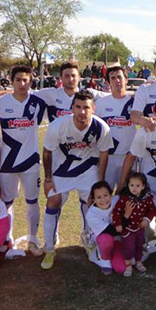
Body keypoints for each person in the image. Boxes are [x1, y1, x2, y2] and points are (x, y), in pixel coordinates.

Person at [41, 91, 113, 270]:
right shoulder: (59, 125)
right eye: (78, 107)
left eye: (86, 107)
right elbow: (47, 151)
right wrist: (48, 179)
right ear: (72, 108)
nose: (82, 112)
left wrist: (100, 181)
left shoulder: (101, 127)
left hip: (87, 169)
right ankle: (49, 248)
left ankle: (88, 239)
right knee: (53, 201)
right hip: (62, 168)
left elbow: (104, 153)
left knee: (91, 202)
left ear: (93, 109)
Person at [0, 66, 48, 256]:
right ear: (11, 81)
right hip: (7, 162)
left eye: (26, 80)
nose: (22, 84)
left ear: (31, 82)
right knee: (6, 203)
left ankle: (32, 240)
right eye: (18, 80)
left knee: (32, 202)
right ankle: (8, 239)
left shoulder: (38, 103)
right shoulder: (0, 103)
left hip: (30, 161)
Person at [96, 66, 135, 190]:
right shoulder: (101, 103)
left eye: (120, 77)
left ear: (126, 79)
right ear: (108, 82)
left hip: (129, 156)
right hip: (108, 157)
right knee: (104, 194)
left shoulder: (135, 102)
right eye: (113, 78)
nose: (117, 80)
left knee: (127, 195)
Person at [113, 172, 156, 277]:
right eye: (131, 185)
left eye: (137, 186)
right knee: (128, 247)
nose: (134, 188)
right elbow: (116, 212)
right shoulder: (124, 198)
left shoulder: (147, 198)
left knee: (139, 245)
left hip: (140, 228)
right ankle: (128, 264)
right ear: (128, 185)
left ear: (143, 186)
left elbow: (152, 210)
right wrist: (118, 224)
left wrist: (146, 219)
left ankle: (138, 261)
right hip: (127, 229)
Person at [85, 181, 126, 275]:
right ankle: (102, 256)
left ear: (111, 194)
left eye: (106, 195)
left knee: (120, 268)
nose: (103, 199)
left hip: (118, 239)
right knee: (106, 239)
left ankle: (116, 252)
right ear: (94, 199)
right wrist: (126, 217)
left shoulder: (117, 200)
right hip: (104, 238)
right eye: (98, 197)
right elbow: (110, 231)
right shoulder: (91, 215)